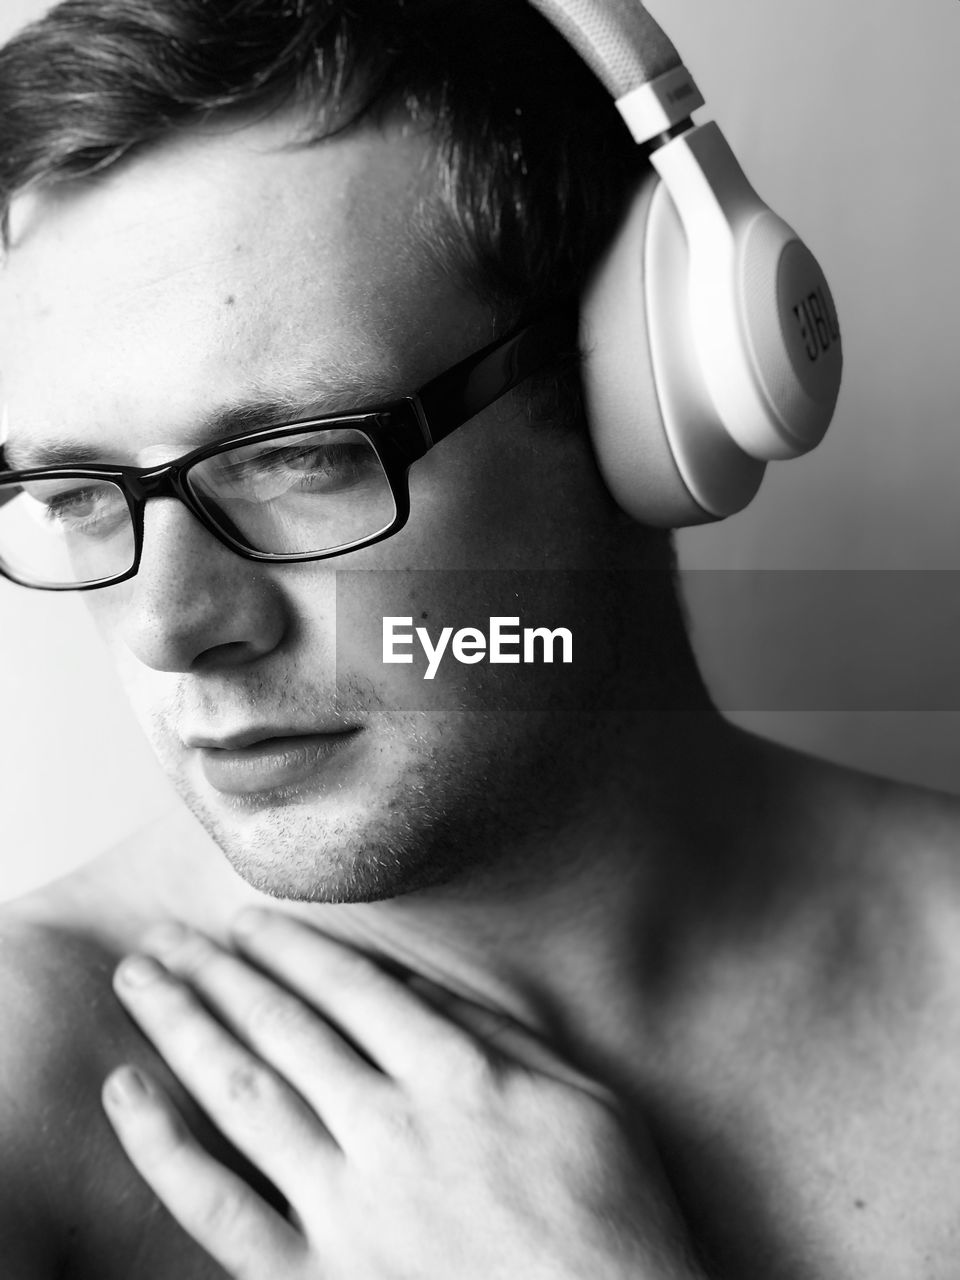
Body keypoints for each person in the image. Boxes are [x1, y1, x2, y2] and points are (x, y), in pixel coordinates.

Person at [1, 0, 959, 1276]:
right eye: (73, 496)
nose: (171, 625)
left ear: (642, 392)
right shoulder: (26, 1094)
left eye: (299, 457)